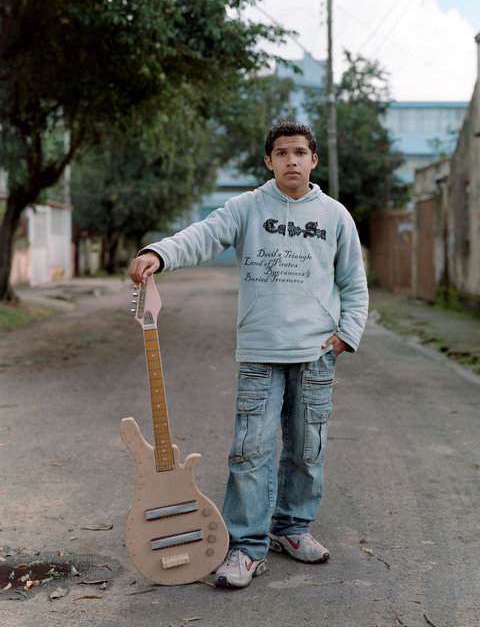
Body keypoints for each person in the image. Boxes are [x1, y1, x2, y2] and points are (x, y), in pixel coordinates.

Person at [128, 119, 369, 588]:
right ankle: (246, 546)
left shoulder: (336, 216)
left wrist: (347, 333)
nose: (292, 161)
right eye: (282, 153)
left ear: (313, 160)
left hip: (316, 353)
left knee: (306, 447)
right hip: (260, 350)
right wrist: (157, 254)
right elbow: (201, 235)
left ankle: (293, 529)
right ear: (269, 161)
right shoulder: (247, 208)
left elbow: (354, 284)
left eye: (300, 153)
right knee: (251, 451)